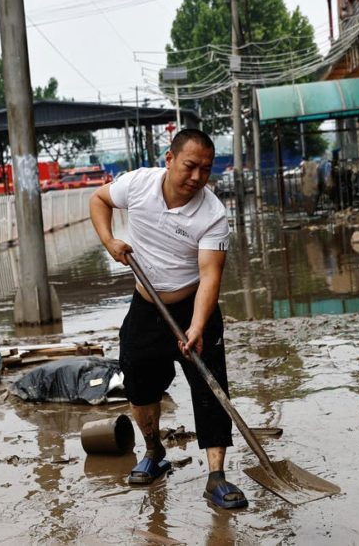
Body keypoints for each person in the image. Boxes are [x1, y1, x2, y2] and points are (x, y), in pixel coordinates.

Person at [89, 129, 247, 509]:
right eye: (190, 166)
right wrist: (110, 241)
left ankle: (216, 477)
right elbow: (98, 199)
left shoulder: (213, 214)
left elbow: (210, 275)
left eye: (205, 170)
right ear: (169, 159)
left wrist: (196, 326)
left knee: (210, 390)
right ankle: (154, 452)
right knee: (139, 382)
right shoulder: (138, 185)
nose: (196, 177)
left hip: (194, 305)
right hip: (145, 306)